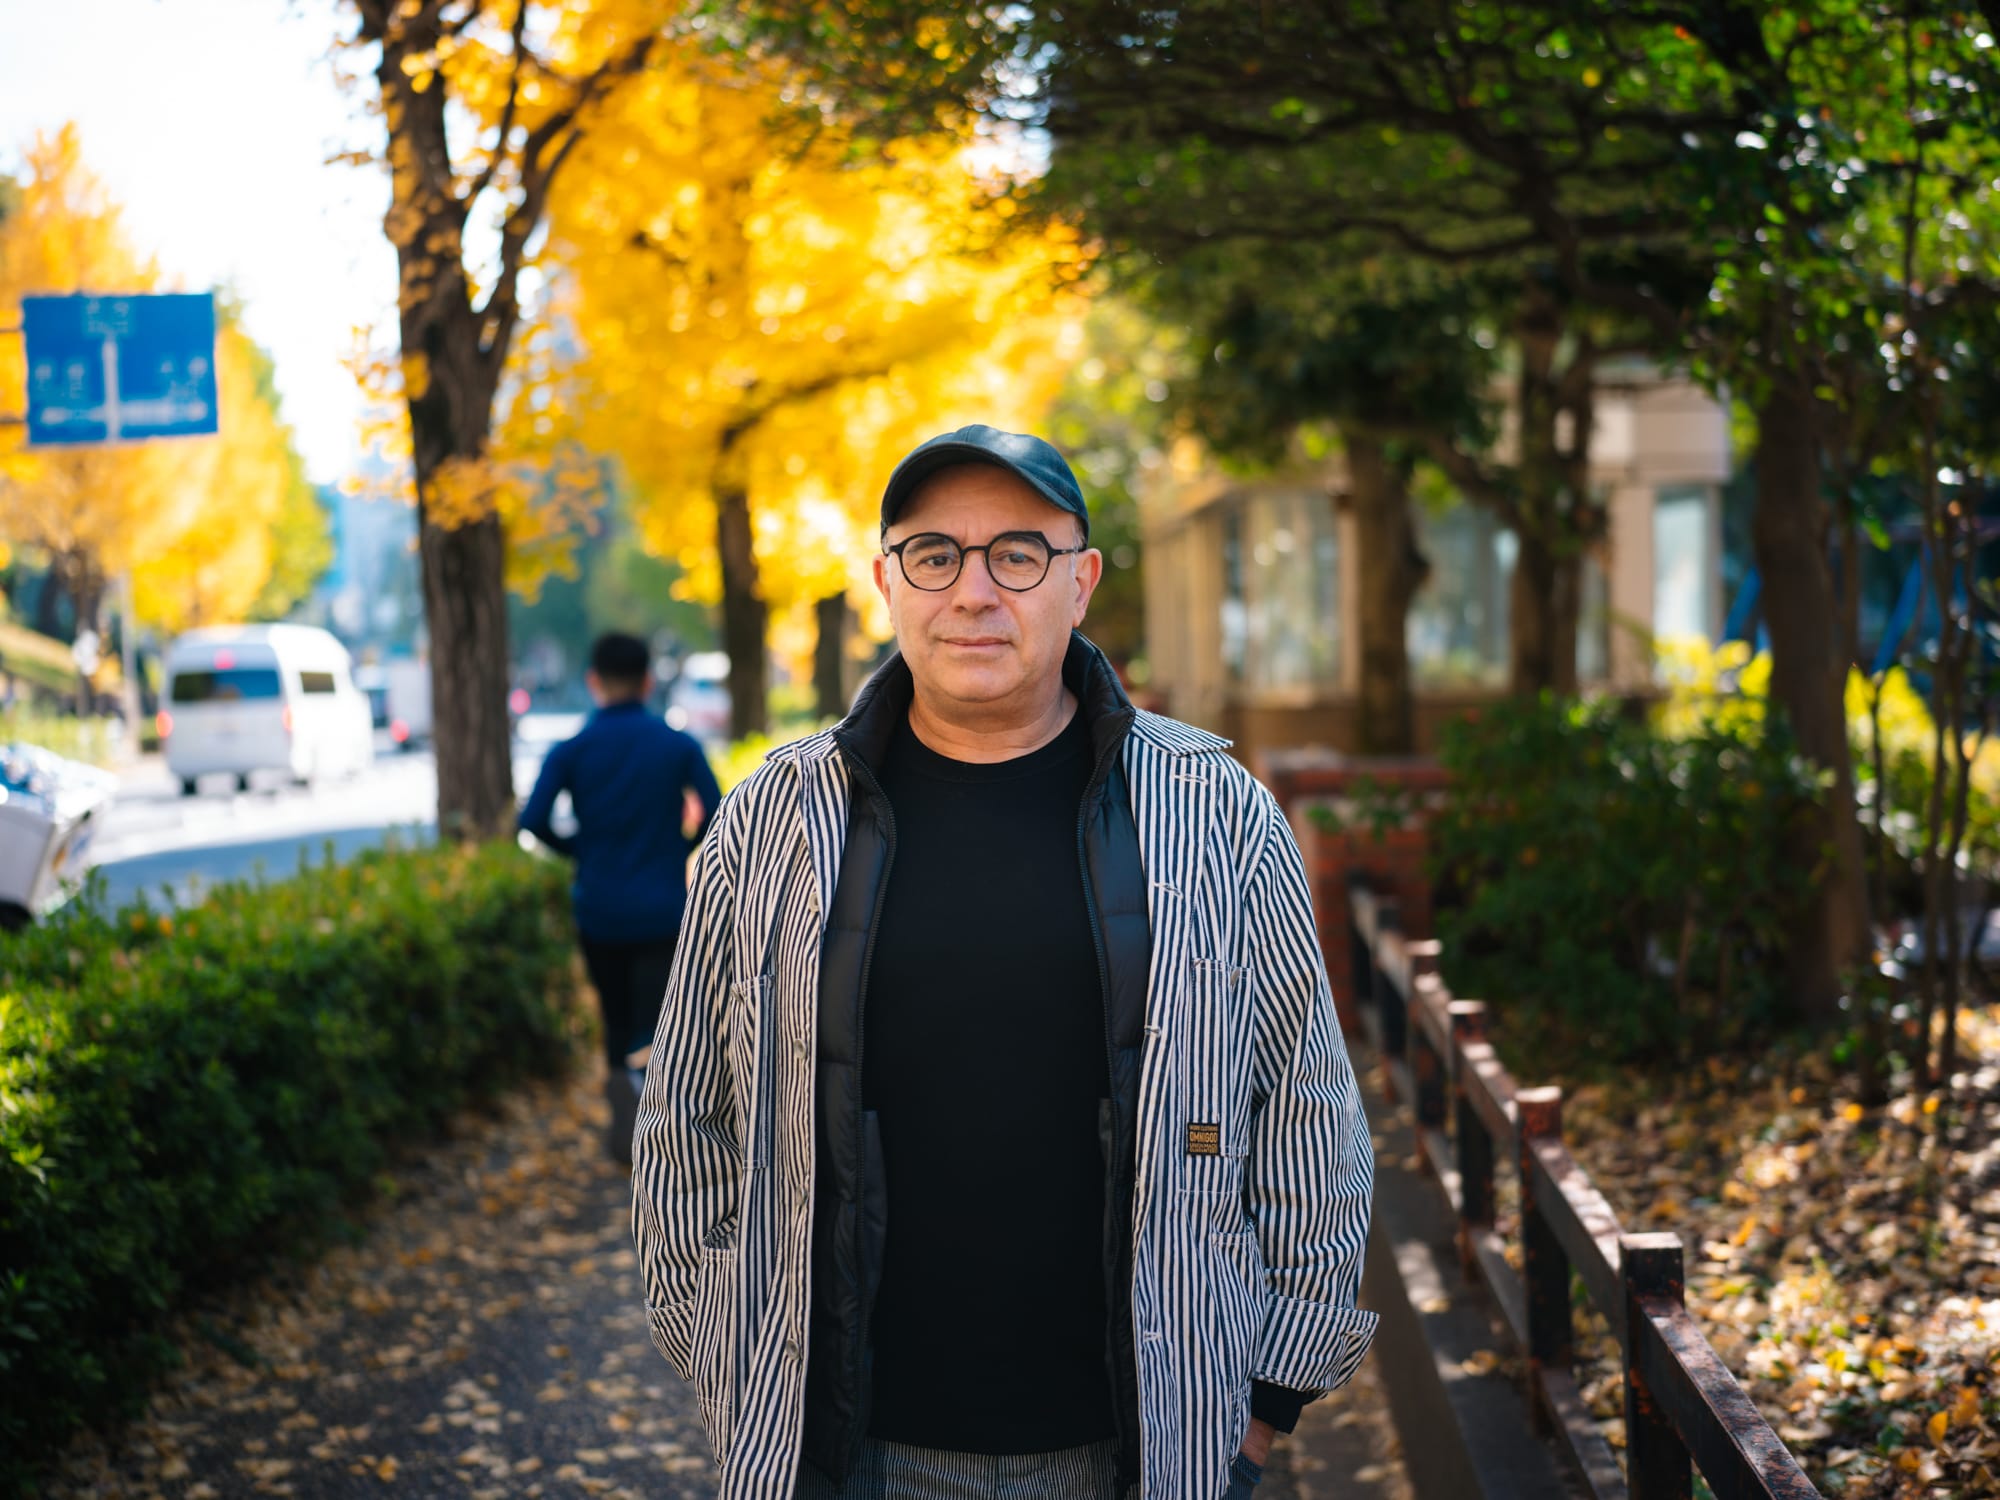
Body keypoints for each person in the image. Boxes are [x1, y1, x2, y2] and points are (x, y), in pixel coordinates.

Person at [632, 425, 1377, 1500]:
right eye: (934, 555)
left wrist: (1266, 1403)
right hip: (846, 1454)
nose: (972, 593)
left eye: (1016, 555)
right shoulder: (774, 823)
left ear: (1080, 582)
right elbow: (685, 1112)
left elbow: (1306, 1105)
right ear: (887, 583)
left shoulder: (1214, 814)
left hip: (1145, 1446)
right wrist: (725, 1348)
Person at [519, 631, 721, 1164]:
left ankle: (622, 1123)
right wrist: (680, 847)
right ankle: (665, 1135)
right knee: (661, 1021)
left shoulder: (572, 749)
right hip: (662, 908)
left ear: (594, 681)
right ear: (648, 682)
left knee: (614, 1016)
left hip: (599, 909)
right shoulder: (677, 746)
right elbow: (719, 810)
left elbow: (533, 819)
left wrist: (579, 850)